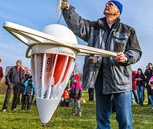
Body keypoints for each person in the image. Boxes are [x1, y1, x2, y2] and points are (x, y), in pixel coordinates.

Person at [61, 0, 142, 128]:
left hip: (120, 81)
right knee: (102, 120)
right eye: (106, 4)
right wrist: (67, 8)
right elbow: (78, 25)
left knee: (125, 119)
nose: (106, 5)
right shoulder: (94, 27)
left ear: (117, 11)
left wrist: (126, 57)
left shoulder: (128, 30)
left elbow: (136, 51)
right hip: (100, 79)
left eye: (111, 4)